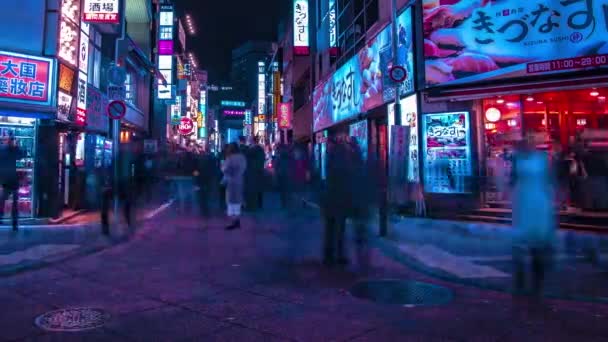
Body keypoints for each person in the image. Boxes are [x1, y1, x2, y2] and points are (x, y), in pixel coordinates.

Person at [511, 138, 556, 296]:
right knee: (522, 241)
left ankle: (534, 282)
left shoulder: (541, 159)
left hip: (537, 201)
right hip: (525, 200)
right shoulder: (519, 159)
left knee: (536, 241)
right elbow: (513, 180)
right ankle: (522, 280)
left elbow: (549, 180)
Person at [320, 138, 351, 266]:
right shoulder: (341, 160)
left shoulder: (329, 157)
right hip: (339, 198)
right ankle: (338, 255)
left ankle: (329, 256)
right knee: (339, 228)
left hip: (330, 198)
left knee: (330, 228)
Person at [0, 134, 23, 231]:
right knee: (13, 203)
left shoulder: (2, 149)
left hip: (6, 180)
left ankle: (2, 218)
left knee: (2, 200)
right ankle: (14, 222)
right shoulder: (14, 150)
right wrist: (17, 145)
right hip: (12, 181)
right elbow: (22, 155)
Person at [221, 143, 247, 230]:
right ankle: (237, 219)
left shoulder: (230, 158)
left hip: (231, 181)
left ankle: (233, 221)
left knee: (231, 201)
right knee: (237, 200)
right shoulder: (242, 157)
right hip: (239, 180)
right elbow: (244, 168)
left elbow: (224, 169)